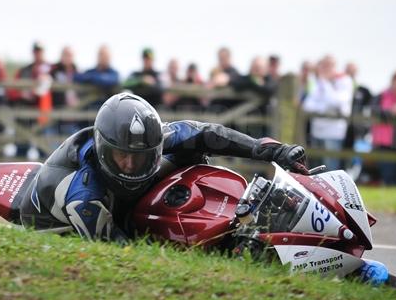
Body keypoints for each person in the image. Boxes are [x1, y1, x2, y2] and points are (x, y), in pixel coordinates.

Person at [16, 93, 310, 242]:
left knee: (191, 151)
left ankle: (231, 211)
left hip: (118, 195)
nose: (132, 165)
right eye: (123, 157)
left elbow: (209, 133)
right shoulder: (83, 194)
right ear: (105, 150)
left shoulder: (158, 137)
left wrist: (276, 151)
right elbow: (118, 252)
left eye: (142, 156)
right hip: (60, 216)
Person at [301, 55, 354, 171]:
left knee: (331, 168)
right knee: (316, 168)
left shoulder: (345, 80)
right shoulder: (318, 81)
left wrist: (325, 82)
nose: (325, 69)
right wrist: (324, 107)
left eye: (328, 66)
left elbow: (335, 102)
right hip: (317, 131)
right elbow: (308, 105)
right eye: (323, 65)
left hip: (334, 133)